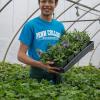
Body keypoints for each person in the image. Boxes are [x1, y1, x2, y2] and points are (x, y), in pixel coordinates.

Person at [17, 0, 65, 84]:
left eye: (50, 2)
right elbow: (20, 55)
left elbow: (65, 48)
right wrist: (41, 65)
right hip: (37, 74)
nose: (47, 5)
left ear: (55, 4)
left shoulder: (59, 26)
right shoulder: (31, 25)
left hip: (57, 73)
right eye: (43, 1)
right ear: (39, 3)